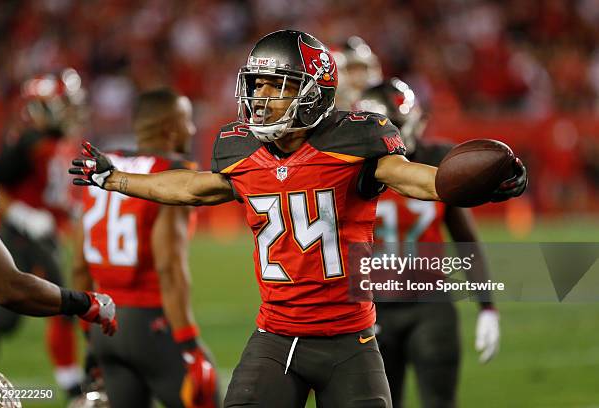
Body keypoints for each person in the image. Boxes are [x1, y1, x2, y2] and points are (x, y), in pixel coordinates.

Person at [69, 30, 526, 408]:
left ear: (313, 91)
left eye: (277, 85)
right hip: (275, 336)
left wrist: (478, 184)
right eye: (257, 84)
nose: (261, 97)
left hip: (351, 341)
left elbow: (413, 179)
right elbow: (192, 187)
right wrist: (116, 179)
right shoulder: (239, 148)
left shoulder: (357, 139)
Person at [356, 78, 502, 408]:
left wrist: (487, 305)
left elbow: (465, 239)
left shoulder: (439, 160)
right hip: (369, 308)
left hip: (430, 303)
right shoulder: (346, 170)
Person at [72, 88, 219, 408]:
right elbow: (169, 266)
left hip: (104, 325)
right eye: (187, 122)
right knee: (206, 398)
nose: (192, 130)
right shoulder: (171, 173)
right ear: (171, 128)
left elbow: (79, 266)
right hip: (150, 325)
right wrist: (189, 342)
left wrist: (89, 335)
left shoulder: (103, 168)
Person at [0, 69, 88, 396]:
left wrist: (68, 211)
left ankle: (72, 382)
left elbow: (53, 190)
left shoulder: (55, 141)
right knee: (60, 301)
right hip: (20, 234)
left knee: (8, 319)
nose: (70, 110)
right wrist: (22, 213)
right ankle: (72, 385)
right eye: (63, 103)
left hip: (43, 235)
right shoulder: (29, 142)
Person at [0, 174, 116, 331]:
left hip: (46, 232)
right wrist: (85, 303)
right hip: (22, 235)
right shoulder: (27, 149)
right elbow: (6, 287)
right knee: (4, 320)